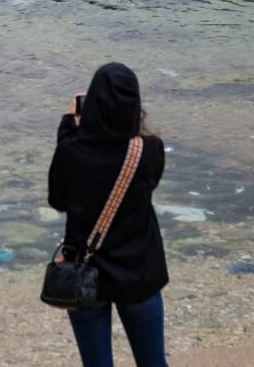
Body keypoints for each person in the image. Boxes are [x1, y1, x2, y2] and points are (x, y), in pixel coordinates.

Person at [47, 63, 169, 367]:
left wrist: (69, 123)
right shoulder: (149, 150)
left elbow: (57, 201)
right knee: (153, 363)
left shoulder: (71, 151)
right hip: (140, 271)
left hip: (87, 273)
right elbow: (149, 184)